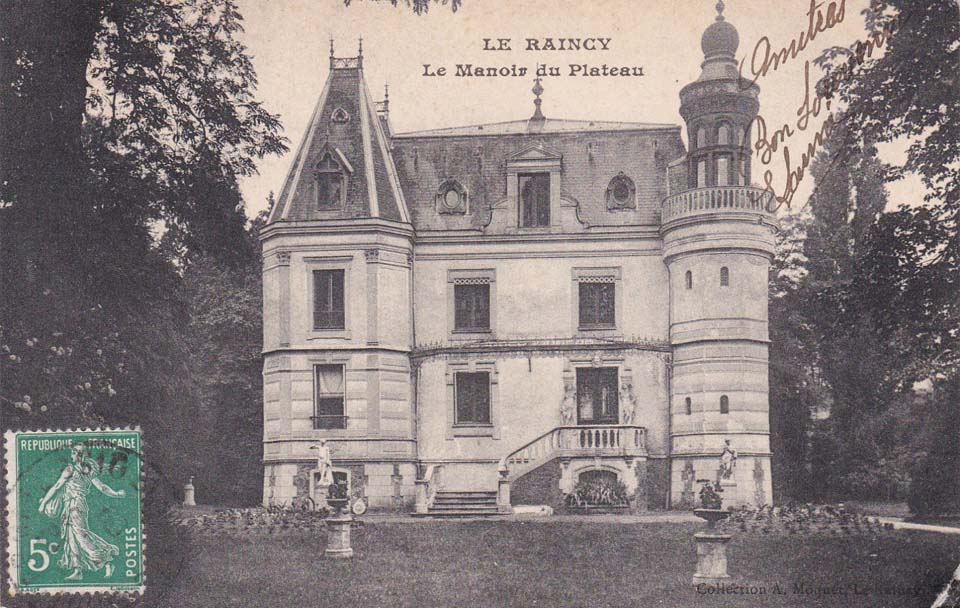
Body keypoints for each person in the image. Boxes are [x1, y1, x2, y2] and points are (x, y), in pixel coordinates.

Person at [38, 444, 124, 581]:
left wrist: (43, 503)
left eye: (73, 453)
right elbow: (102, 487)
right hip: (73, 506)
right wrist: (116, 494)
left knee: (81, 537)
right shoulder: (88, 471)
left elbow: (56, 486)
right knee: (72, 538)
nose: (71, 455)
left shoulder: (70, 470)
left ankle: (107, 561)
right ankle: (78, 571)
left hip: (75, 506)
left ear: (79, 455)